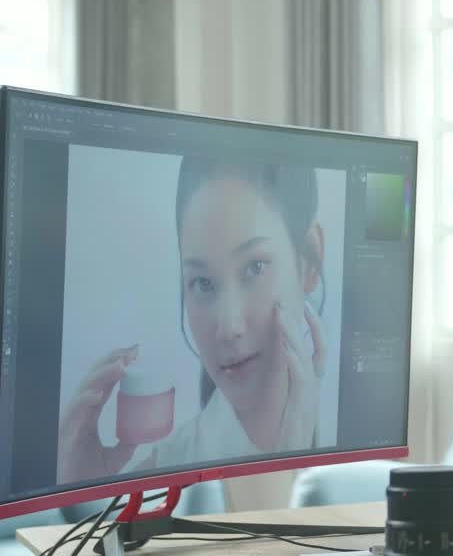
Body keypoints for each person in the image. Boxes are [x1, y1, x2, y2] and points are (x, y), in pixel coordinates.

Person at [57, 157, 328, 484]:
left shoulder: (362, 448)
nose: (229, 327)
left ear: (309, 261)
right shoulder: (164, 475)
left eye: (254, 267)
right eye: (203, 284)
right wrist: (80, 499)